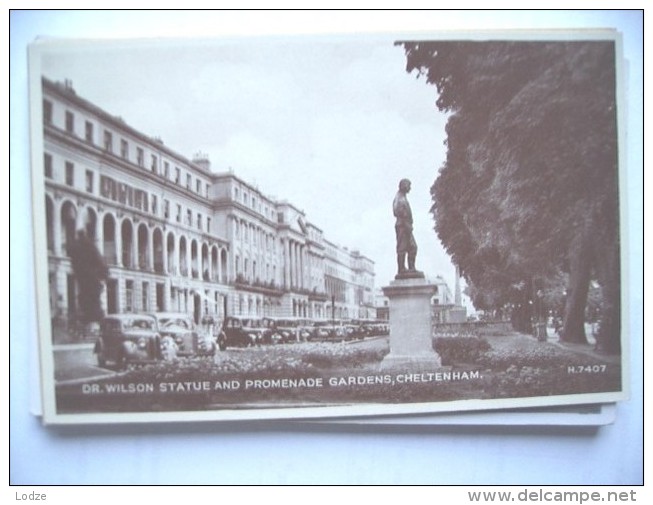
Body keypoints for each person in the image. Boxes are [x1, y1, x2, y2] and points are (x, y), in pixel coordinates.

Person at [393, 178, 418, 275]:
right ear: (404, 186)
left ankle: (411, 268)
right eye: (409, 186)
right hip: (402, 226)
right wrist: (406, 221)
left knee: (412, 247)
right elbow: (397, 211)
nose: (410, 188)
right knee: (402, 248)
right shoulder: (399, 198)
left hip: (406, 226)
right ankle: (401, 269)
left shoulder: (403, 197)